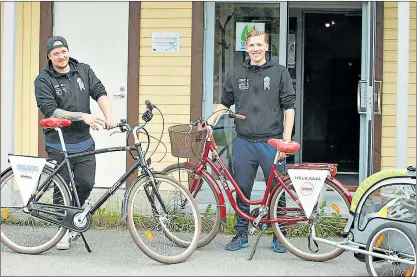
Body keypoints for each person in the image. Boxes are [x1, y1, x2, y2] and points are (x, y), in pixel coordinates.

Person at [207, 29, 296, 252]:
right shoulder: (236, 73)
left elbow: (290, 108)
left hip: (272, 142)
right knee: (242, 189)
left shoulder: (279, 72)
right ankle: (240, 234)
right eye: (251, 45)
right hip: (244, 141)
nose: (255, 49)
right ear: (246, 48)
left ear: (267, 47)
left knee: (277, 190)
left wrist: (286, 140)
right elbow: (224, 104)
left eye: (259, 45)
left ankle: (279, 236)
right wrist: (209, 122)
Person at [34, 36, 117, 250]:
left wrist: (109, 116)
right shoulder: (43, 80)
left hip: (84, 141)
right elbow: (51, 110)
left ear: (68, 52)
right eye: (55, 54)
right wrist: (83, 116)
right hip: (58, 142)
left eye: (63, 52)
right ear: (49, 57)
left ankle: (73, 219)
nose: (61, 57)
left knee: (85, 183)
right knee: (62, 188)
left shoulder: (83, 70)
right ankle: (63, 229)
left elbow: (100, 92)